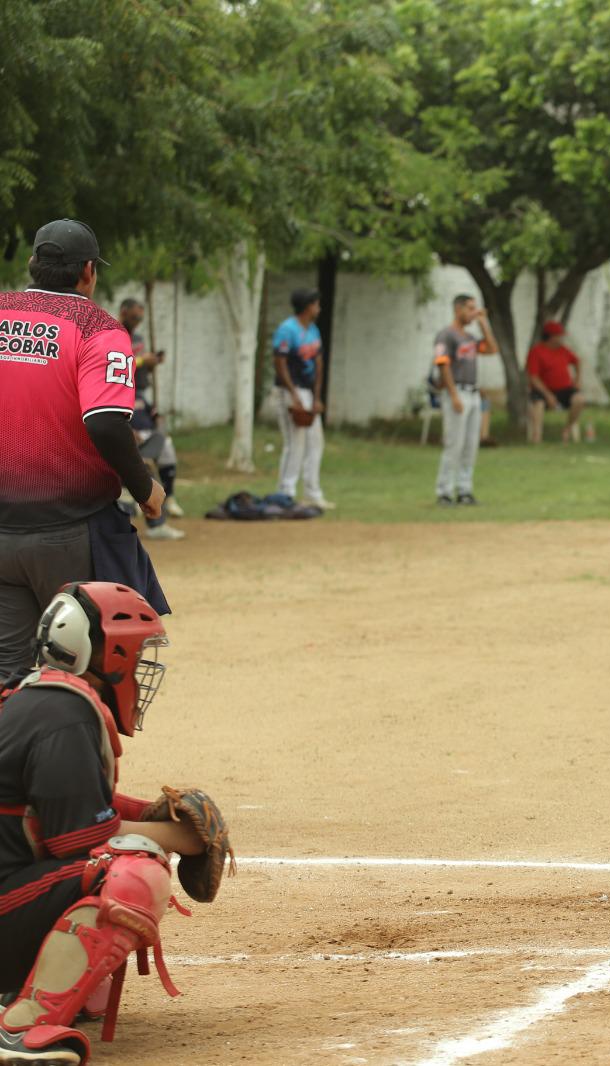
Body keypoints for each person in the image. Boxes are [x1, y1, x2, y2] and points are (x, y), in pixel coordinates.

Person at [0, 582, 230, 1065]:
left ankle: (35, 991)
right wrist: (178, 838)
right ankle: (19, 1029)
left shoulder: (40, 699)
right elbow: (79, 839)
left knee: (122, 856)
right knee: (132, 869)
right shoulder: (63, 713)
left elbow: (69, 805)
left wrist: (148, 812)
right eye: (137, 651)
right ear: (106, 651)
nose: (142, 667)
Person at [0, 219, 169, 679]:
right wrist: (144, 487)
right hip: (69, 531)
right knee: (83, 673)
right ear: (89, 272)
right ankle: (70, 749)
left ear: (33, 263)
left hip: (2, 532)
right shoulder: (98, 329)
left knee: (7, 679)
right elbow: (105, 423)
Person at [117, 299, 184, 541]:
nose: (137, 323)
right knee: (139, 462)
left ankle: (167, 501)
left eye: (140, 319)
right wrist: (144, 361)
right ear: (123, 313)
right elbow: (117, 365)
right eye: (134, 317)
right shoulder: (114, 334)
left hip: (139, 397)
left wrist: (150, 363)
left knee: (163, 446)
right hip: (122, 402)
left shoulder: (138, 338)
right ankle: (150, 518)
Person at [432, 294, 499, 506]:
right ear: (458, 310)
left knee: (471, 445)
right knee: (454, 444)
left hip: (472, 393)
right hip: (457, 392)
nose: (473, 313)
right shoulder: (446, 335)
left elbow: (491, 349)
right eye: (470, 309)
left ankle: (464, 490)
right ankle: (444, 491)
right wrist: (453, 395)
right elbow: (443, 365)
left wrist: (483, 324)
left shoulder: (469, 338)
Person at [270, 289, 333, 510]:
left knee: (316, 441)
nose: (319, 308)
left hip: (307, 390)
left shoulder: (313, 330)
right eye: (316, 304)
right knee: (294, 442)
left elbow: (318, 363)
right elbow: (280, 362)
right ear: (308, 306)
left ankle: (312, 492)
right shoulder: (287, 330)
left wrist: (317, 397)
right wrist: (293, 394)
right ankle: (285, 492)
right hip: (289, 390)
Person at [525, 320, 586, 444]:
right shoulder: (537, 351)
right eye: (559, 336)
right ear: (551, 337)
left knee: (579, 399)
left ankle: (567, 428)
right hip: (542, 391)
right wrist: (548, 395)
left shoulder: (563, 350)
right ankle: (536, 437)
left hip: (564, 389)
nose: (562, 338)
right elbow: (534, 377)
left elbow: (577, 362)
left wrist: (578, 379)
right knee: (538, 403)